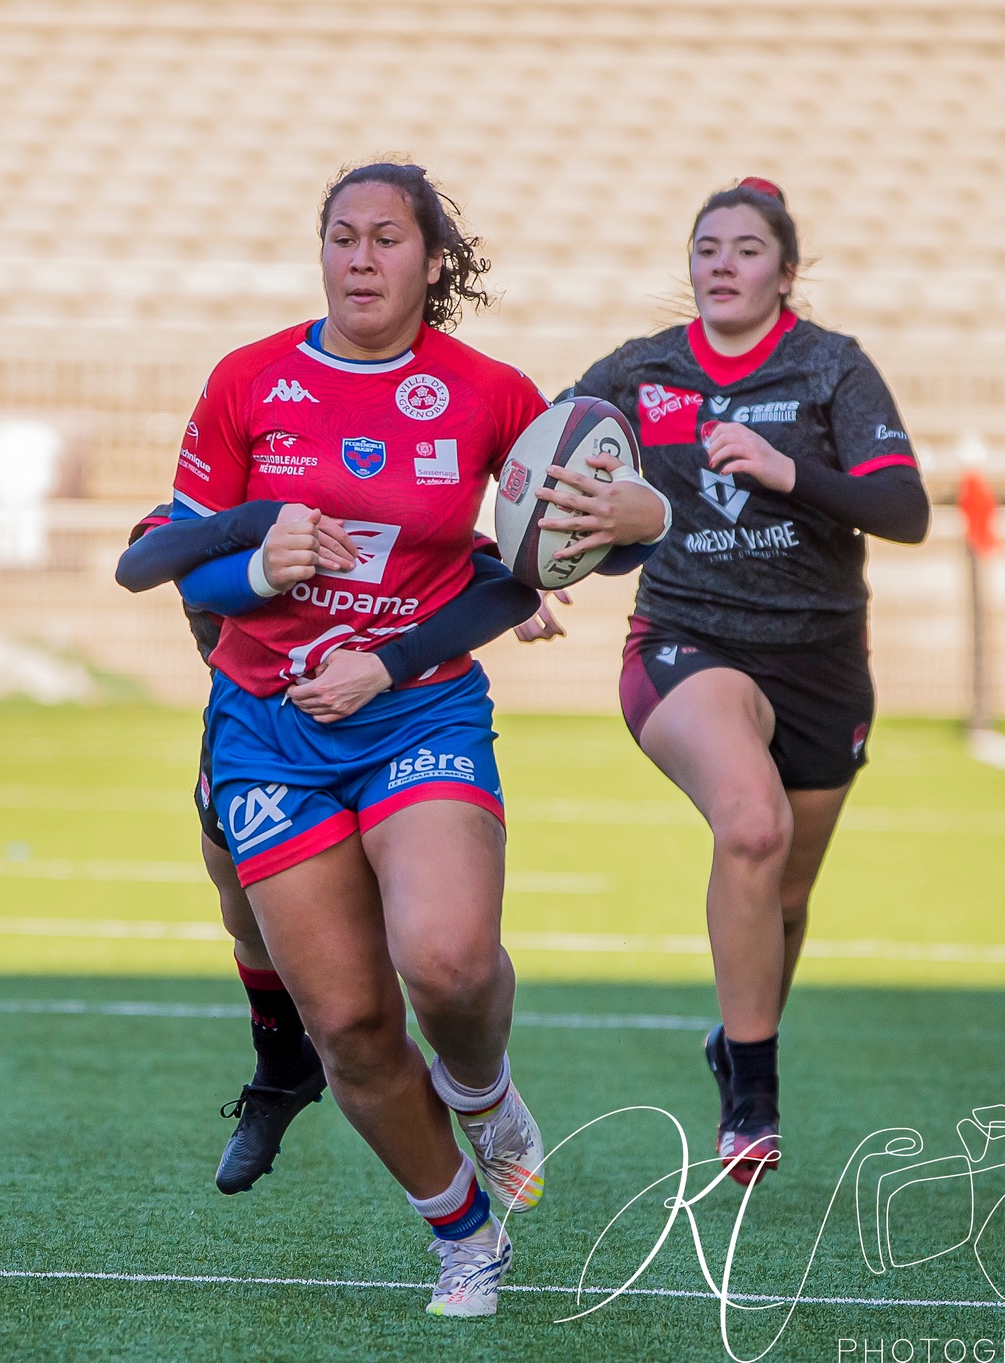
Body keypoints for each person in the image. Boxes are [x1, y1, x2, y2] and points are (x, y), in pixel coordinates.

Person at [152, 162, 665, 1317]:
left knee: (447, 961)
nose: (359, 257)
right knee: (345, 1021)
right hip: (269, 730)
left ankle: (481, 1090)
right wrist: (257, 562)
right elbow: (176, 560)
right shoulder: (245, 380)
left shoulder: (486, 392)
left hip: (418, 710)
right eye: (340, 236)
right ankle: (465, 1237)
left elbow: (570, 540)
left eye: (385, 237)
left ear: (431, 262)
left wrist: (647, 517)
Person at [564, 177, 929, 1185]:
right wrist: (532, 571)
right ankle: (752, 1101)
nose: (721, 264)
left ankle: (734, 1037)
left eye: (746, 248)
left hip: (821, 662)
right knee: (751, 827)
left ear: (785, 271)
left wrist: (784, 470)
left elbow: (904, 511)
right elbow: (540, 466)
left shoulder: (830, 366)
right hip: (684, 641)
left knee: (785, 896)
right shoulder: (641, 370)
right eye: (706, 247)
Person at [117, 509, 544, 1195]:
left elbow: (472, 562)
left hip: (395, 722)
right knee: (243, 914)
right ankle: (281, 1068)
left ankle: (478, 1095)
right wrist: (253, 531)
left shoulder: (378, 492)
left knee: (428, 949)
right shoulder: (238, 483)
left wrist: (515, 583)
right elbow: (145, 553)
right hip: (255, 725)